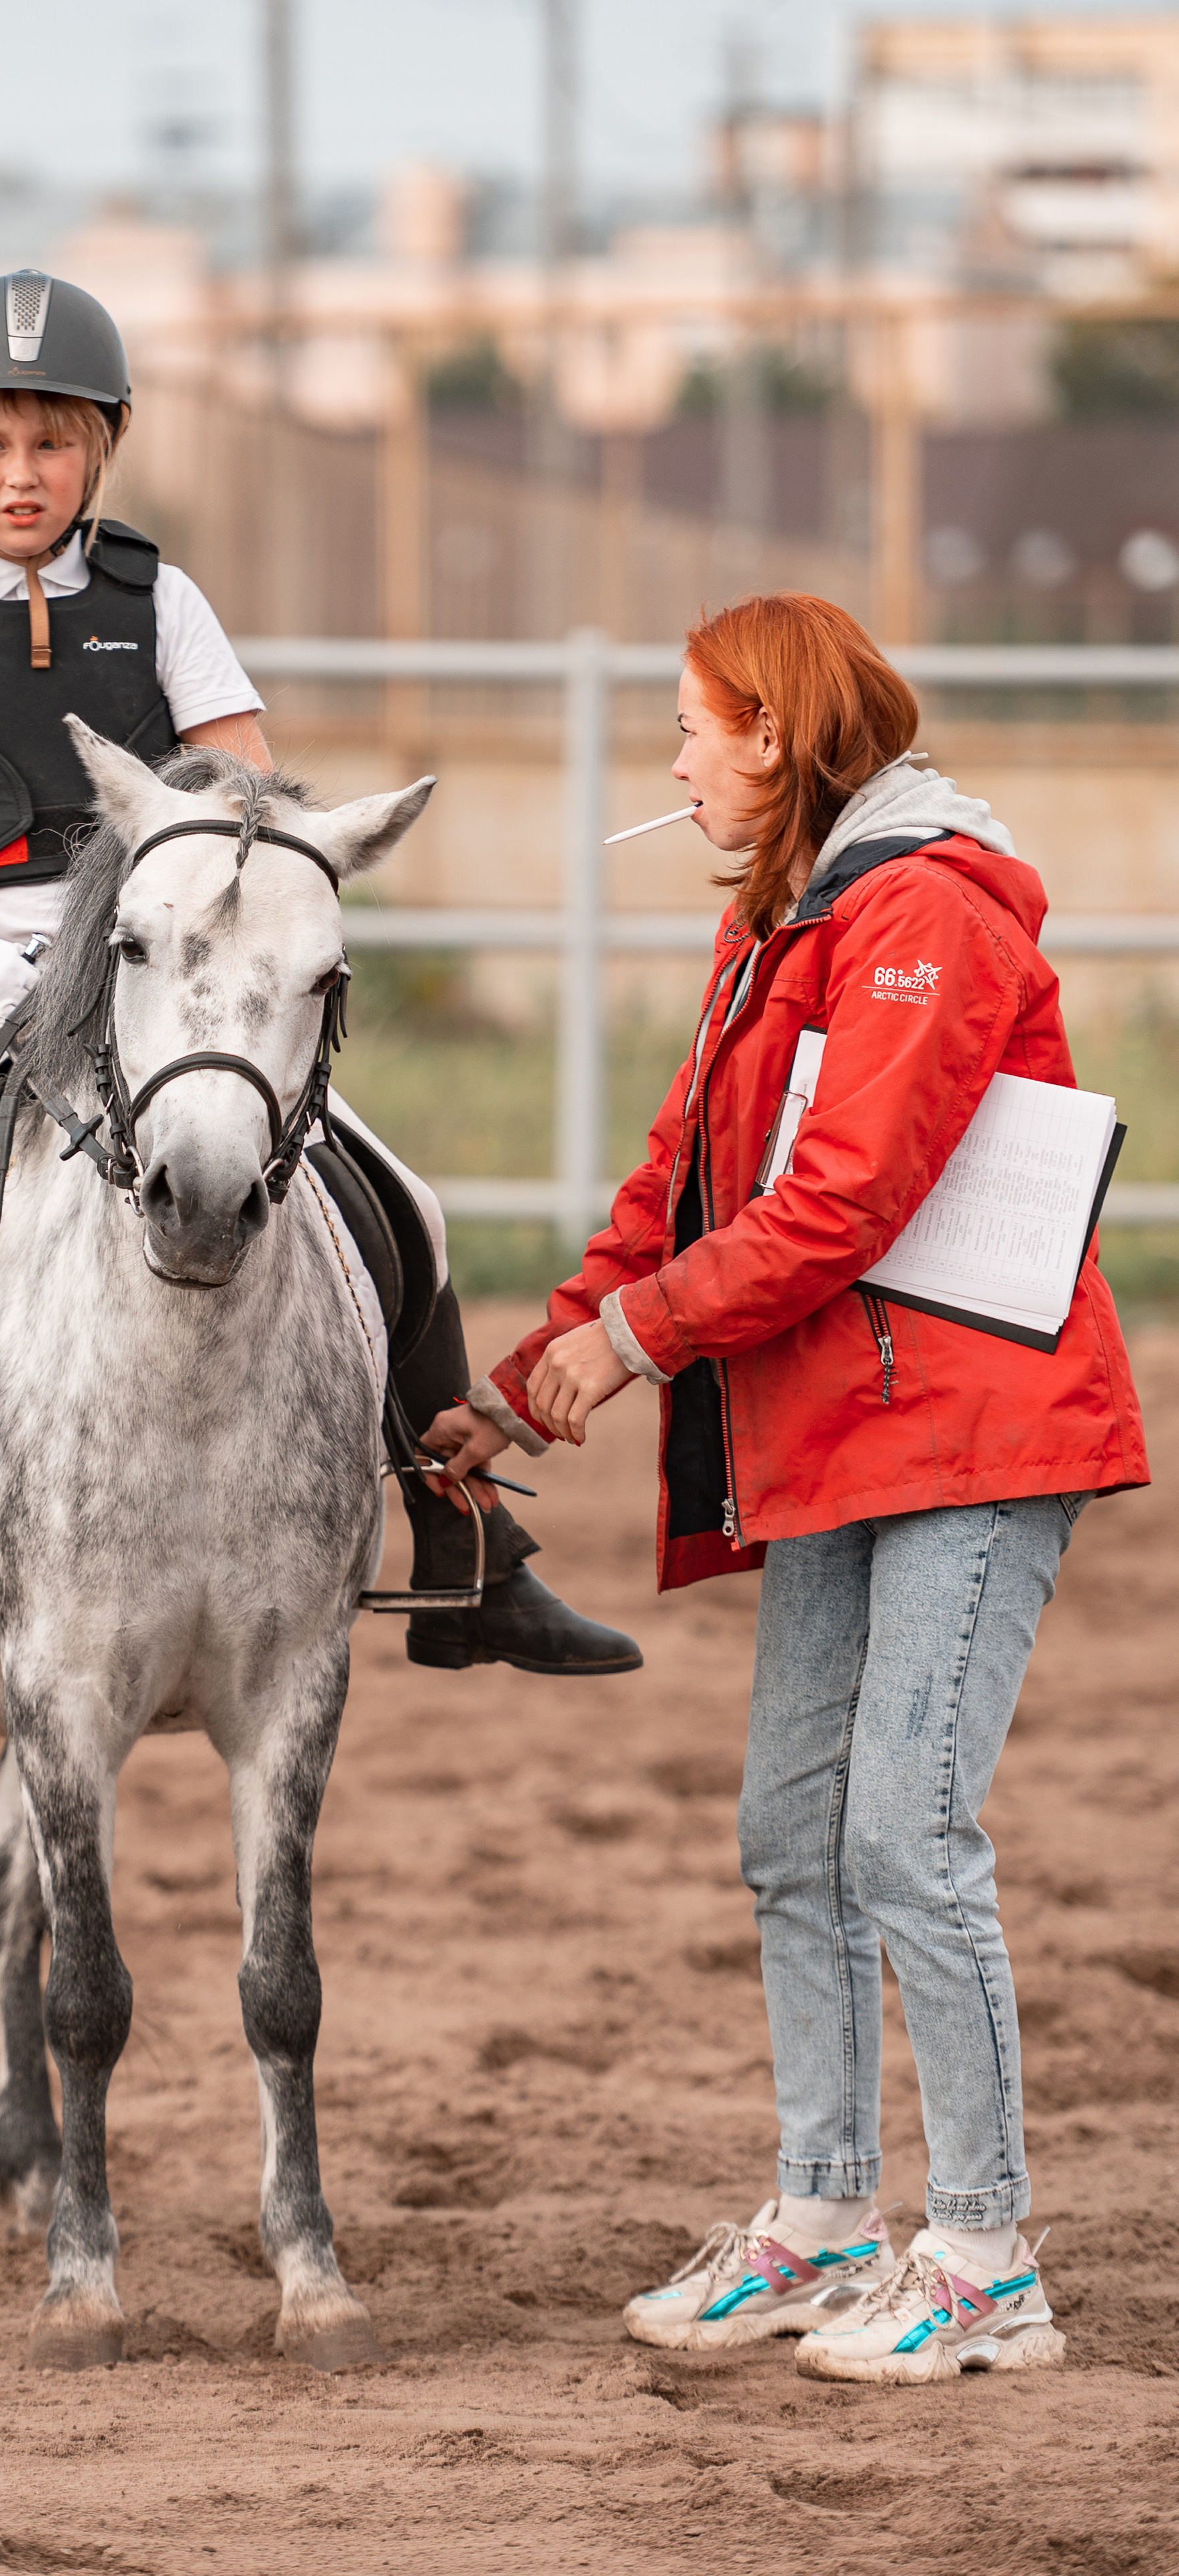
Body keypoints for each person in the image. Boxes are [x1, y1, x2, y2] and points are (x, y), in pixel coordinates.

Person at [0, 270, 638, 1779]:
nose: (16, 477)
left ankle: (469, 1562)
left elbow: (242, 791)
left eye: (47, 445)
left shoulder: (161, 602)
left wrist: (208, 932)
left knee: (396, 1205)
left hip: (158, 979)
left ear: (103, 448)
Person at [420, 592, 1148, 2384]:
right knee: (791, 1835)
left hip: (976, 1438)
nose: (672, 762)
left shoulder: (926, 915)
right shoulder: (778, 930)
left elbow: (844, 1200)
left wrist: (640, 1343)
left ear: (778, 733)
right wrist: (524, 1387)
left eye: (694, 727)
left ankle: (982, 2255)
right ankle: (828, 2220)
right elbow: (680, 1183)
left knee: (904, 1831)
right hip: (836, 1438)